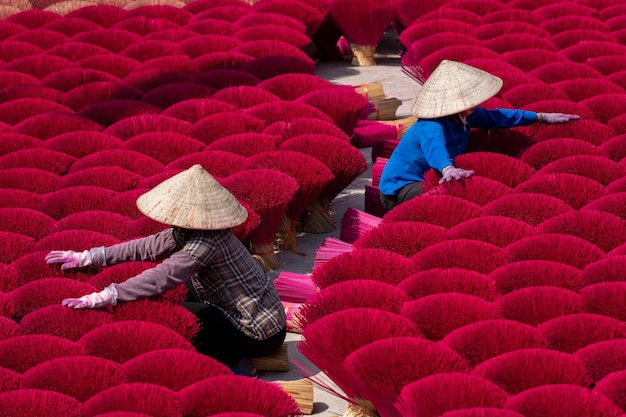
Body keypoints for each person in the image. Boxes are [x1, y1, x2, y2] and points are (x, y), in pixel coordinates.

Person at [45, 164, 287, 375]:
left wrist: (108, 295)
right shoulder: (188, 231)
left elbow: (164, 275)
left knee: (180, 315)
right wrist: (90, 256)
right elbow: (146, 247)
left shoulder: (207, 242)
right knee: (185, 288)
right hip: (254, 313)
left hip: (258, 332)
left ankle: (233, 364)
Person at [379, 59, 581, 211]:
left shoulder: (465, 115)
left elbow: (498, 117)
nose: (473, 106)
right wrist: (448, 169)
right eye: (467, 101)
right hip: (399, 191)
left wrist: (541, 117)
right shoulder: (432, 125)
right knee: (458, 196)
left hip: (428, 180)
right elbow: (435, 149)